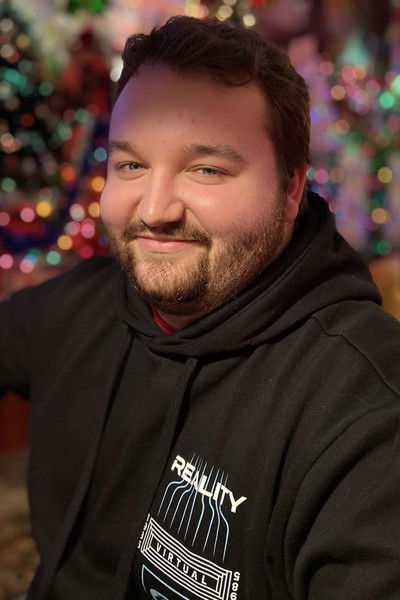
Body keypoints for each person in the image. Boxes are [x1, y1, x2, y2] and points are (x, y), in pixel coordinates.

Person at [1, 15, 400, 600]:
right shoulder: (83, 303)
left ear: (291, 188)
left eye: (206, 169)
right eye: (131, 165)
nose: (155, 210)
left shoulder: (366, 411)